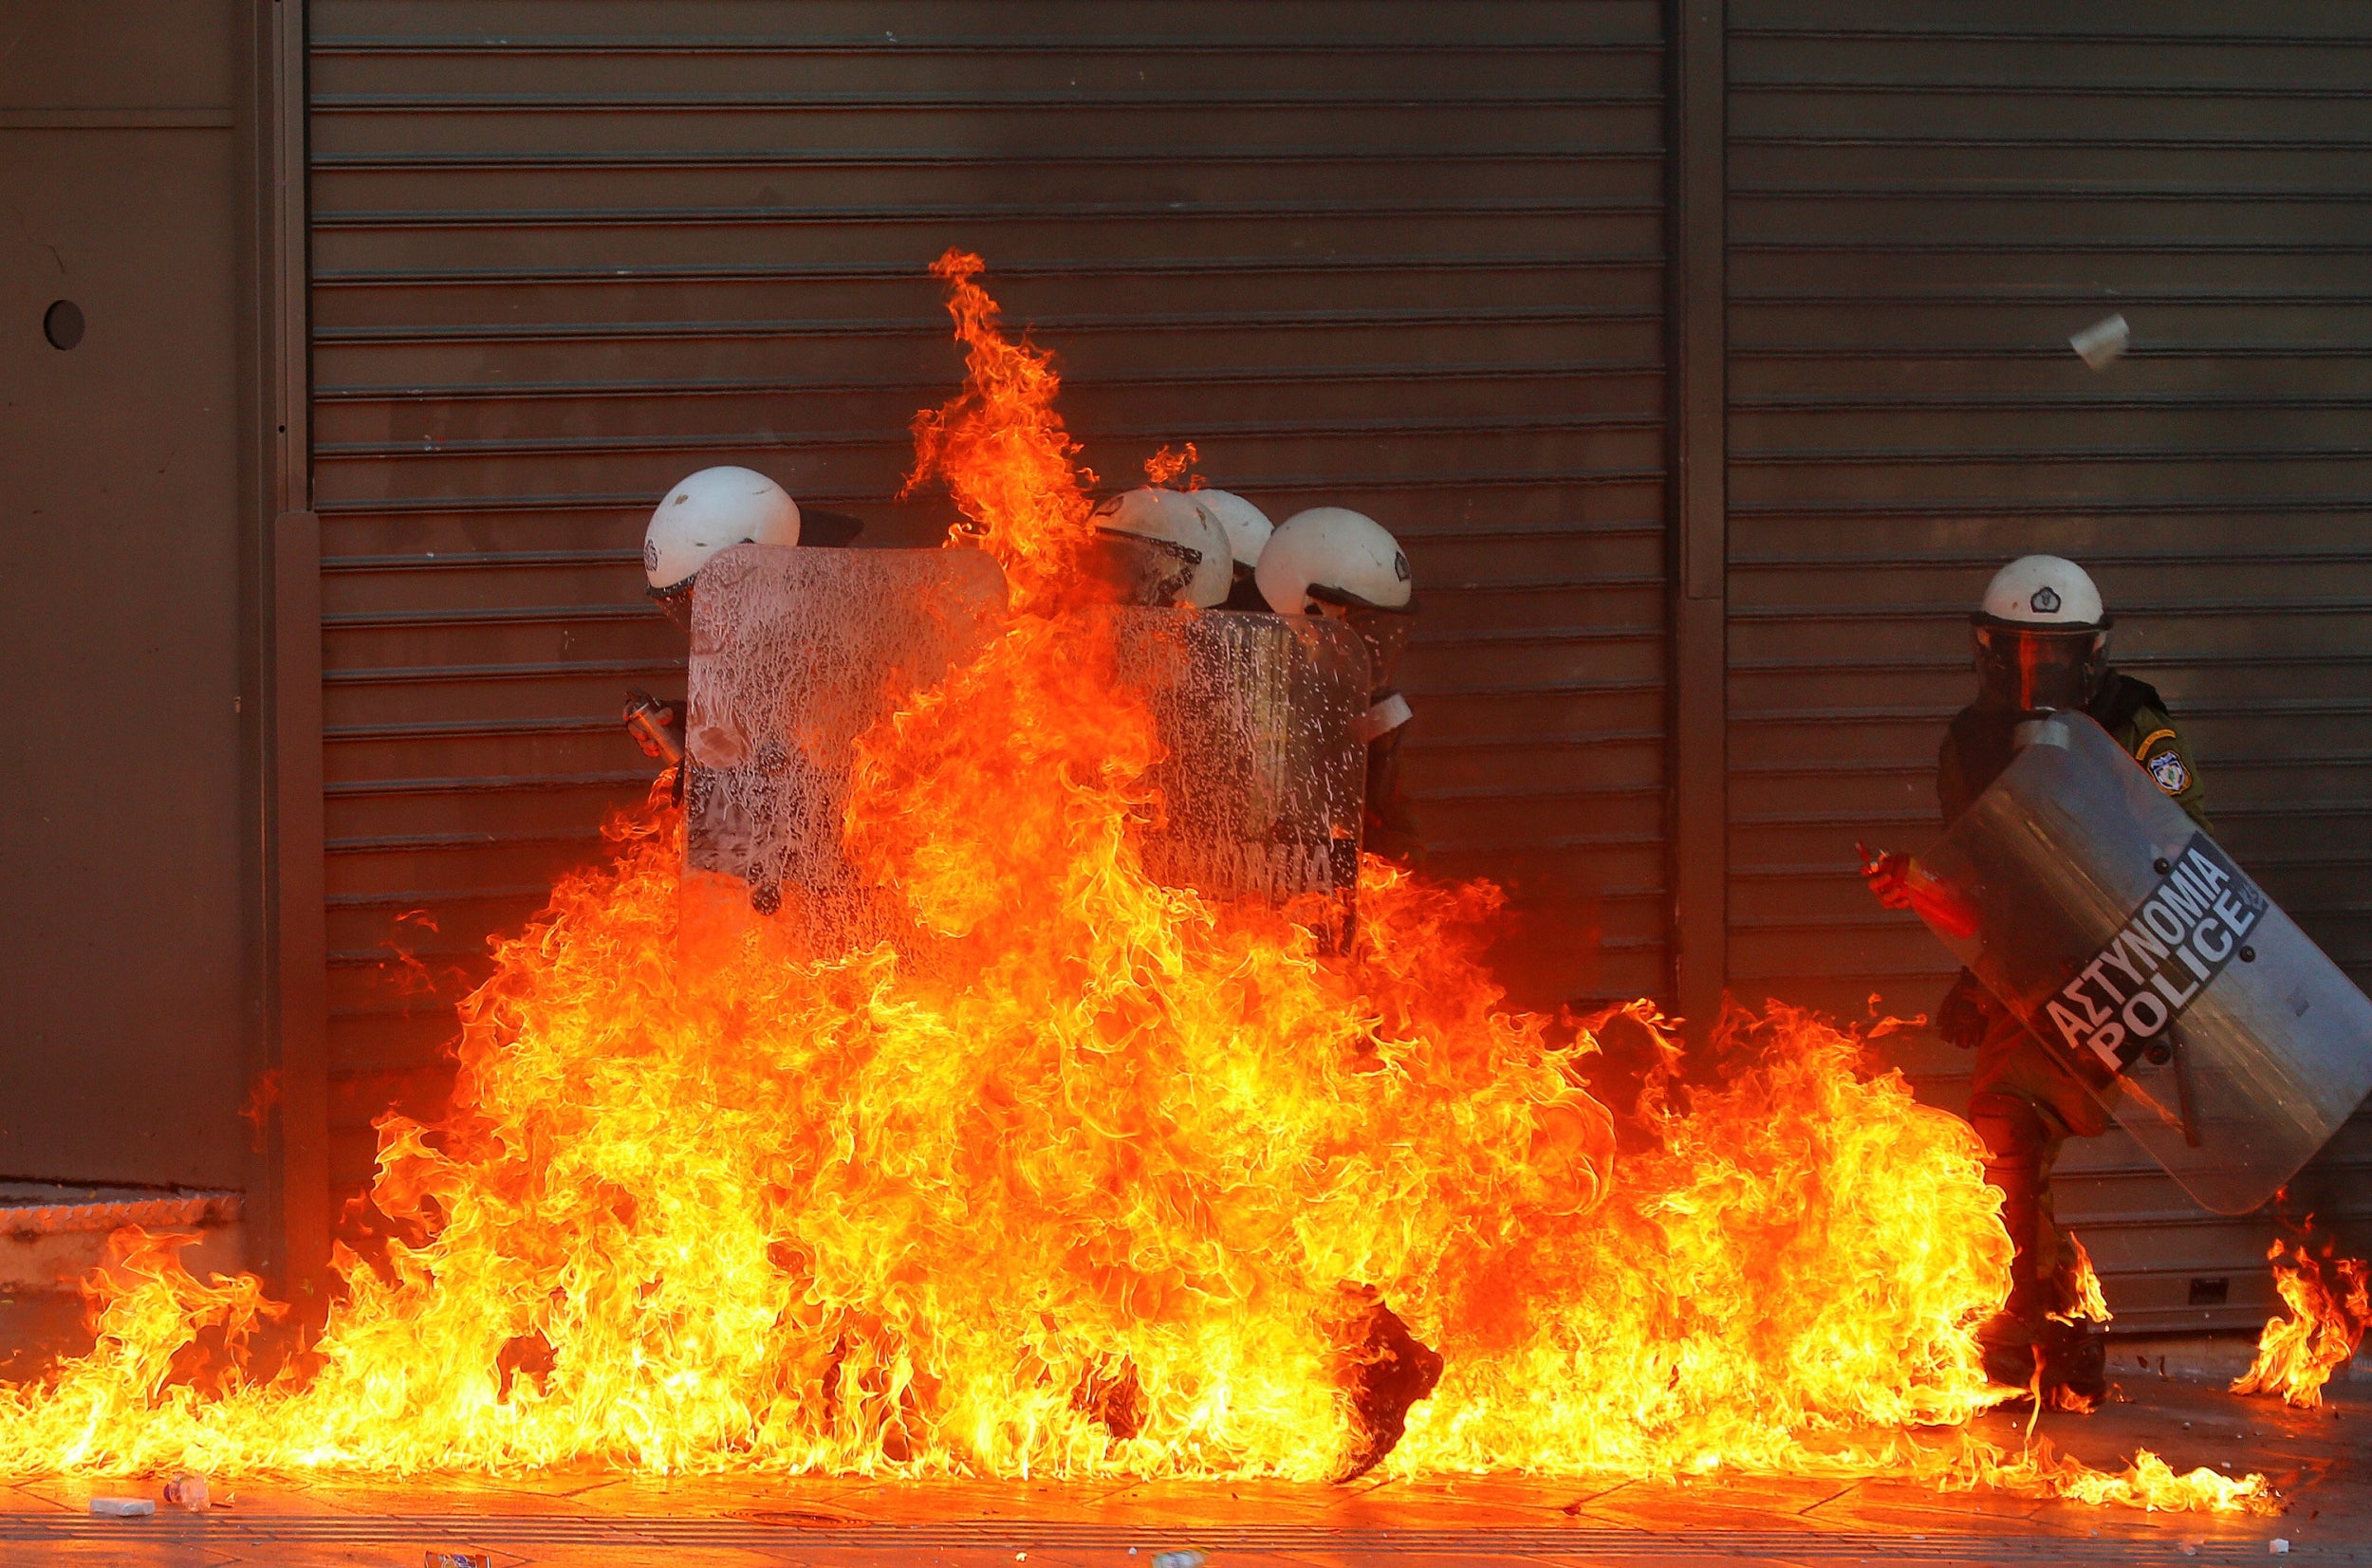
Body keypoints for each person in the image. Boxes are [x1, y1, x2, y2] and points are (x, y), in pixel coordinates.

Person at [1864, 554, 2210, 1401]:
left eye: (2054, 656)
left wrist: (2158, 979)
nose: (2037, 672)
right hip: (2030, 973)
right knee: (2010, 1136)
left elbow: (2182, 849)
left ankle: (2036, 1314)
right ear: (1989, 653)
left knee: (2010, 1123)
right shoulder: (1971, 741)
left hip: (2122, 959)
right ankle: (2049, 1318)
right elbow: (1983, 881)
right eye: (2021, 653)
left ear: (2090, 656)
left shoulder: (2134, 722)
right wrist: (1922, 890)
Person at [626, 465, 863, 769]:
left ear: (762, 563)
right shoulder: (767, 625)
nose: (708, 613)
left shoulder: (847, 622)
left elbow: (852, 751)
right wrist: (691, 728)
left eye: (713, 592)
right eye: (693, 601)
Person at [1255, 507, 1424, 863]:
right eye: (1356, 625)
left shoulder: (1367, 708)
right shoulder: (1240, 683)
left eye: (1375, 628)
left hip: (1320, 897)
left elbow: (1399, 842)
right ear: (1308, 607)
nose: (1369, 646)